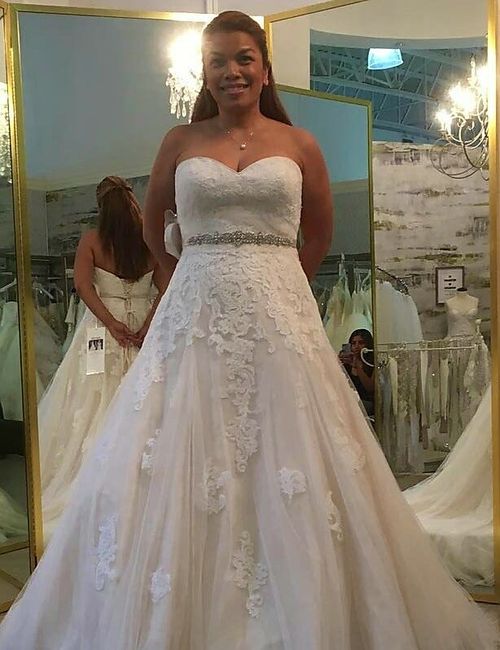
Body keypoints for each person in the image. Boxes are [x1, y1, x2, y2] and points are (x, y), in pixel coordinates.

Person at [0, 12, 496, 649]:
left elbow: (318, 232)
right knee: (182, 439)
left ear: (264, 68)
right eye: (217, 61)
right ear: (203, 73)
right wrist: (191, 273)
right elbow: (154, 227)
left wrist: (279, 282)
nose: (231, 71)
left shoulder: (298, 144)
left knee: (290, 444)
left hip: (279, 315)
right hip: (195, 313)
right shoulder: (180, 141)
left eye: (243, 58)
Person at [37, 176, 170, 541]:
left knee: (94, 402)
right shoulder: (149, 239)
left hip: (102, 329)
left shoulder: (92, 240)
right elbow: (166, 286)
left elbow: (82, 285)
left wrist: (111, 322)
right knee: (145, 402)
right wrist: (147, 324)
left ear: (100, 207)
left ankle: (99, 480)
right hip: (143, 328)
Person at [339, 328, 375, 416]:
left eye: (361, 343)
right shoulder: (347, 363)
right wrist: (338, 364)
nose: (356, 346)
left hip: (366, 402)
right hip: (349, 400)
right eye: (353, 343)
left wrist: (357, 366)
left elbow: (370, 388)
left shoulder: (372, 363)